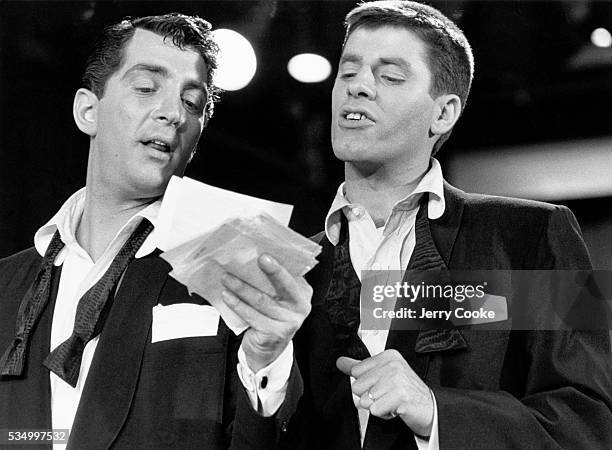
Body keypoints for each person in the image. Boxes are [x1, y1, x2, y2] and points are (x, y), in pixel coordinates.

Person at [281, 1, 612, 449]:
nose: (357, 87)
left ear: (444, 113)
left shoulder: (535, 236)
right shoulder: (292, 268)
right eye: (348, 71)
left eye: (390, 76)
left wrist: (436, 412)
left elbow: (589, 419)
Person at [0, 13, 311, 448]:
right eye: (147, 88)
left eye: (192, 102)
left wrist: (267, 359)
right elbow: (28, 435)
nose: (172, 114)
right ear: (88, 110)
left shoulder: (235, 273)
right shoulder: (7, 286)